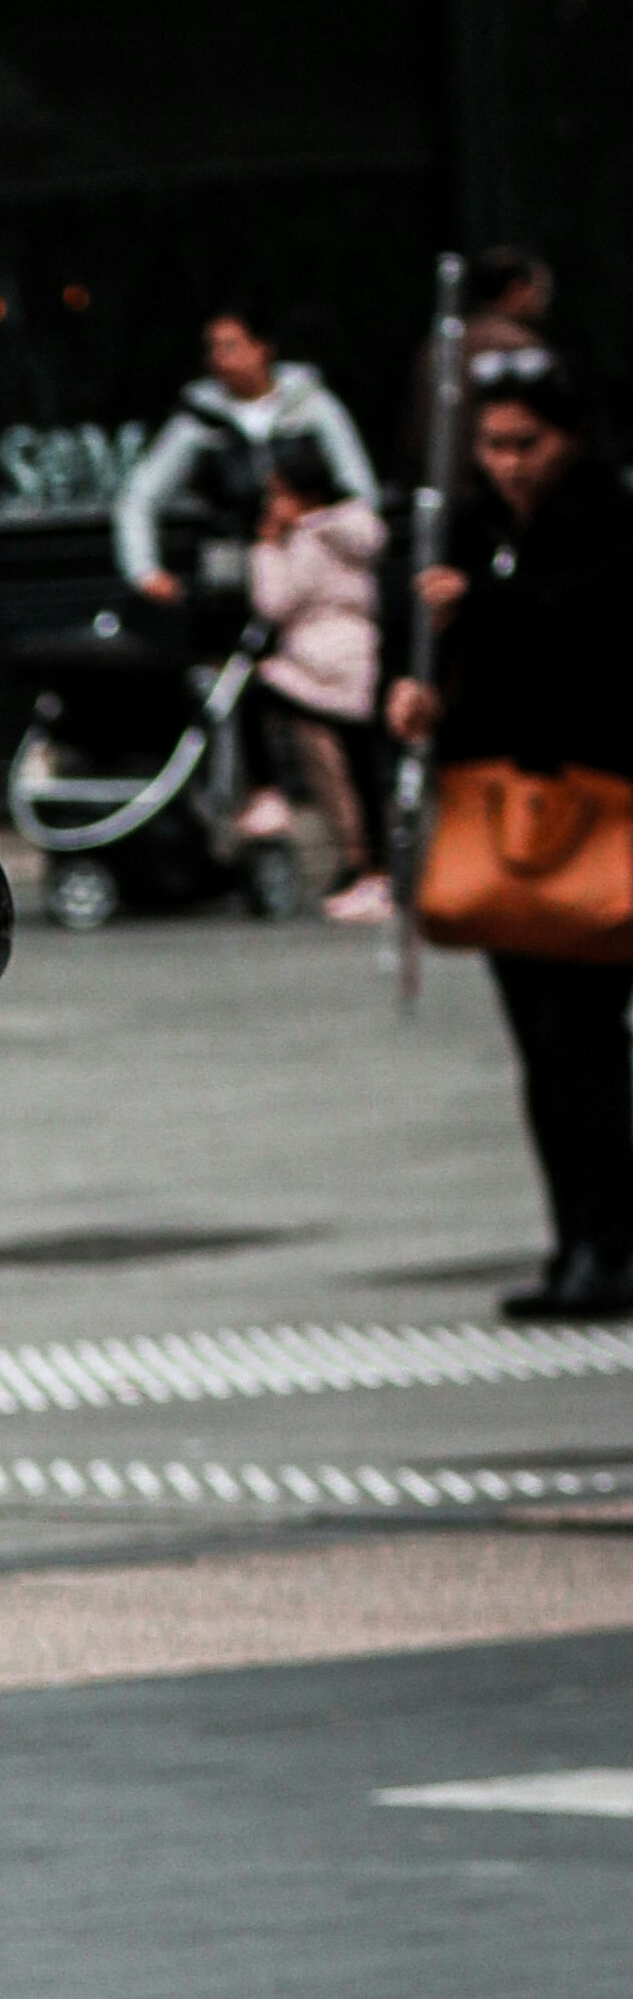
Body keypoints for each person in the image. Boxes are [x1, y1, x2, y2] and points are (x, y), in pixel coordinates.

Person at [395, 352, 633, 1321]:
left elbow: (589, 637)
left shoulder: (605, 524)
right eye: (492, 445)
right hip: (492, 796)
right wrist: (420, 694)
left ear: (569, 437)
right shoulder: (472, 530)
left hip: (586, 792)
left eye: (525, 443)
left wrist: (479, 610)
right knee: (543, 1043)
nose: (507, 464)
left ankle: (606, 1240)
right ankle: (576, 1235)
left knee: (580, 1036)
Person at [117, 301, 377, 614]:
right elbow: (140, 495)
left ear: (262, 348)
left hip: (308, 571)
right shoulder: (198, 421)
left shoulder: (313, 406)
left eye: (231, 346)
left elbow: (357, 486)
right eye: (213, 349)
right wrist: (145, 571)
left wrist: (326, 528)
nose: (220, 359)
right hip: (232, 577)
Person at [244, 432, 388, 920]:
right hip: (307, 660)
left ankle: (376, 870)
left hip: (350, 657)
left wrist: (310, 522)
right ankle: (269, 795)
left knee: (359, 760)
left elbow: (368, 541)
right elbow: (273, 604)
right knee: (257, 693)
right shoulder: (290, 540)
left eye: (280, 492)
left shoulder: (346, 521)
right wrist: (268, 547)